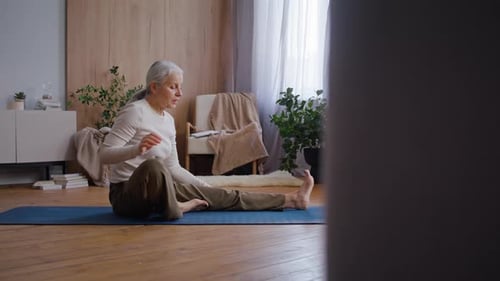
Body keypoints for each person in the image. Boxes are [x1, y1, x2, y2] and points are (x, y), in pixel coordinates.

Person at [99, 60, 315, 220]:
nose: (180, 93)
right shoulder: (135, 112)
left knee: (223, 196)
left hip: (159, 190)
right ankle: (177, 208)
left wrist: (205, 187)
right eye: (173, 87)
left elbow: (174, 168)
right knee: (153, 166)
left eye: (180, 87)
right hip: (126, 196)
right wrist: (136, 149)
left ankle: (292, 200)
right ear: (154, 87)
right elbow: (104, 155)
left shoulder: (167, 121)